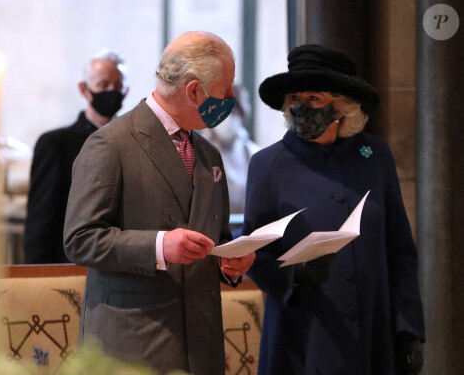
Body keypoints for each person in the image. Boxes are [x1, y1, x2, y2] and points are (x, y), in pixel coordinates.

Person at [63, 31, 256, 375]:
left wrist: (230, 261)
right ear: (194, 91)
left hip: (202, 346)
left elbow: (216, 236)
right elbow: (80, 239)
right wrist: (160, 245)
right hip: (133, 346)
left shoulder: (209, 154)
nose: (231, 97)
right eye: (225, 88)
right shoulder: (110, 144)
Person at [242, 44, 425, 375]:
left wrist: (407, 329)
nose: (301, 107)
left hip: (373, 332)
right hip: (304, 334)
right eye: (295, 99)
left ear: (340, 107)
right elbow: (254, 254)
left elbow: (400, 251)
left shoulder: (375, 155)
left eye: (314, 99)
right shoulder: (267, 164)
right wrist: (294, 277)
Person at [24, 50, 129, 264]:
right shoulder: (56, 144)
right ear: (84, 89)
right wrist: (38, 276)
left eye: (117, 87)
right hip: (70, 266)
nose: (111, 91)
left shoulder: (132, 141)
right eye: (103, 84)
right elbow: (41, 220)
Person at [200, 83, 260, 215]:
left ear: (243, 113)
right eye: (221, 109)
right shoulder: (197, 152)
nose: (227, 116)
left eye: (232, 110)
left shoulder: (253, 154)